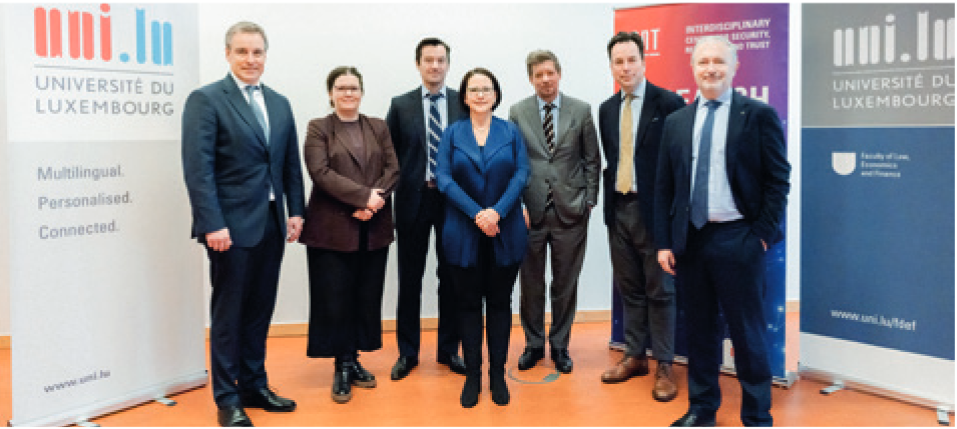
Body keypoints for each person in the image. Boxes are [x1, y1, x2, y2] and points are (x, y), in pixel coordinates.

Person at [654, 35, 790, 427]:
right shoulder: (678, 121)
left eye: (718, 61)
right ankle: (702, 408)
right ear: (692, 68)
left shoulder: (757, 115)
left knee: (747, 332)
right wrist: (664, 242)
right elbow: (664, 186)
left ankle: (756, 413)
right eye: (703, 62)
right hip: (690, 242)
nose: (710, 68)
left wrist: (761, 235)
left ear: (734, 67)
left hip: (739, 239)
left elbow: (778, 181)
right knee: (699, 330)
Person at [181, 21, 304, 427]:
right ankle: (228, 398)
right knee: (230, 314)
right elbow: (199, 171)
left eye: (257, 52)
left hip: (270, 224)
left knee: (259, 311)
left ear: (265, 55)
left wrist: (296, 211)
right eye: (242, 52)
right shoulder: (207, 100)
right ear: (228, 54)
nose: (251, 60)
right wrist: (212, 223)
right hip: (229, 229)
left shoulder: (280, 103)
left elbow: (289, 164)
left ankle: (254, 385)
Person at [299, 66, 399, 404]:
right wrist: (362, 198)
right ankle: (341, 366)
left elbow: (392, 169)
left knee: (364, 297)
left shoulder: (378, 126)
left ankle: (353, 359)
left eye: (353, 87)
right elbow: (320, 172)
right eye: (341, 88)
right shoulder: (318, 128)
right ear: (330, 93)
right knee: (335, 299)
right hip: (332, 228)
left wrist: (375, 201)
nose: (348, 93)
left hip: (373, 227)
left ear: (361, 91)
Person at [597, 31, 685, 402]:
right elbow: (614, 160)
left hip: (656, 216)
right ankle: (635, 356)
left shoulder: (669, 104)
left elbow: (680, 168)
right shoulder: (606, 109)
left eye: (631, 59)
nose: (625, 67)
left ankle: (664, 364)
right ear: (612, 66)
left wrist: (672, 222)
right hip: (619, 211)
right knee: (630, 289)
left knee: (660, 292)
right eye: (618, 61)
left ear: (644, 61)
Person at [436, 68, 529, 408]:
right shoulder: (452, 133)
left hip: (505, 230)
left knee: (500, 304)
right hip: (463, 231)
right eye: (473, 89)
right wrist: (478, 213)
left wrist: (497, 212)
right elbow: (443, 179)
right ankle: (473, 375)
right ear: (464, 96)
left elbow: (522, 174)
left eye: (486, 89)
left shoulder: (510, 131)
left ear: (495, 94)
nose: (479, 94)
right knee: (468, 304)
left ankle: (497, 375)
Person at [508, 50, 599, 374]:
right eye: (538, 75)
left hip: (571, 212)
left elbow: (592, 159)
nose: (545, 79)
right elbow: (513, 162)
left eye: (550, 73)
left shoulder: (582, 110)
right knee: (531, 283)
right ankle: (533, 345)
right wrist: (516, 205)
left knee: (565, 284)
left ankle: (560, 346)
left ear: (559, 73)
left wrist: (589, 200)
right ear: (531, 78)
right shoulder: (518, 112)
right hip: (529, 214)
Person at [385, 37, 467, 381]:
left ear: (448, 64)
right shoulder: (401, 105)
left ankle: (449, 350)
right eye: (428, 60)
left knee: (450, 278)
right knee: (410, 279)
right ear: (418, 64)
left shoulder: (462, 104)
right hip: (413, 201)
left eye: (440, 60)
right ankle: (408, 352)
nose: (435, 66)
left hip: (452, 202)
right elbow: (389, 155)